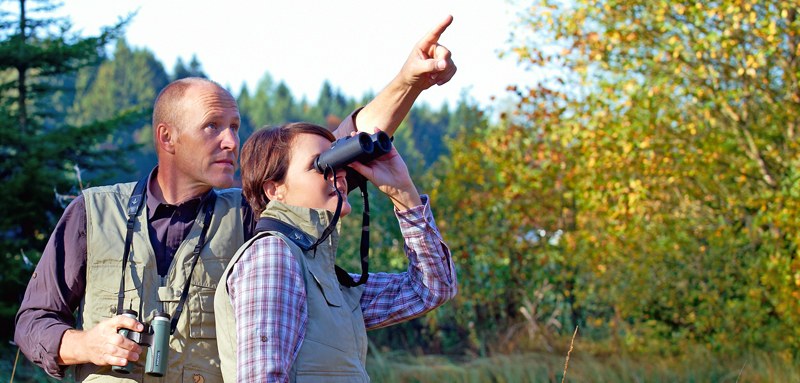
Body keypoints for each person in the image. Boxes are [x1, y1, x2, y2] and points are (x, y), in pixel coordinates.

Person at [14, 16, 457, 382]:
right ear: (167, 137)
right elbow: (32, 321)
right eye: (213, 126)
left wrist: (408, 83)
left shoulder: (251, 221)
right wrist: (82, 343)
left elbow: (332, 151)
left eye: (236, 126)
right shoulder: (93, 212)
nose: (231, 140)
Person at [215, 122, 457, 382]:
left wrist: (403, 192)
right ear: (275, 190)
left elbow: (431, 288)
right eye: (320, 165)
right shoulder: (272, 256)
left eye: (339, 160)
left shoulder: (326, 277)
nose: (338, 173)